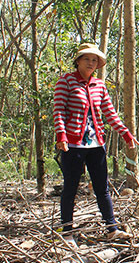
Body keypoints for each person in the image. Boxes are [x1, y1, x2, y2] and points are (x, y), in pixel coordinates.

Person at [53, 43, 134, 242]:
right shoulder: (67, 81)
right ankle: (68, 232)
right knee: (70, 187)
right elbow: (59, 111)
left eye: (94, 60)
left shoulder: (99, 85)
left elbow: (109, 112)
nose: (91, 63)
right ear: (78, 61)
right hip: (73, 144)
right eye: (87, 59)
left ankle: (112, 228)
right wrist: (61, 136)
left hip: (96, 144)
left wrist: (125, 132)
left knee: (102, 187)